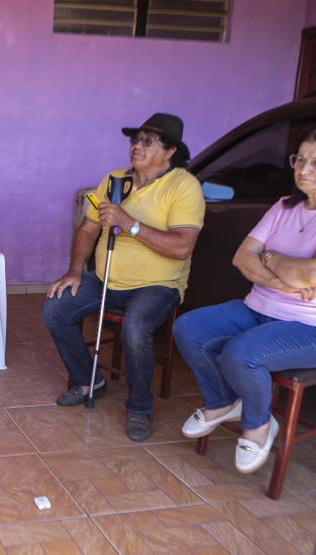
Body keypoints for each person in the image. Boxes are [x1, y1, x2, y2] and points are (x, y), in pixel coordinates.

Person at [173, 124, 316, 474]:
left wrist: (271, 257)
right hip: (258, 309)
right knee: (190, 327)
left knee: (242, 354)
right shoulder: (284, 206)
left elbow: (313, 274)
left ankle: (259, 423)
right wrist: (288, 283)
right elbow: (242, 258)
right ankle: (222, 402)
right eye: (299, 160)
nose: (304, 170)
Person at [41, 113, 205, 442]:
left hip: (157, 286)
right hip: (104, 280)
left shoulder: (184, 186)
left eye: (148, 141)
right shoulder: (114, 179)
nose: (136, 146)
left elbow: (182, 247)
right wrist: (75, 269)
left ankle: (139, 407)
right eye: (135, 140)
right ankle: (89, 380)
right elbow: (88, 228)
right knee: (55, 309)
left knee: (134, 326)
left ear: (170, 150)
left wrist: (129, 223)